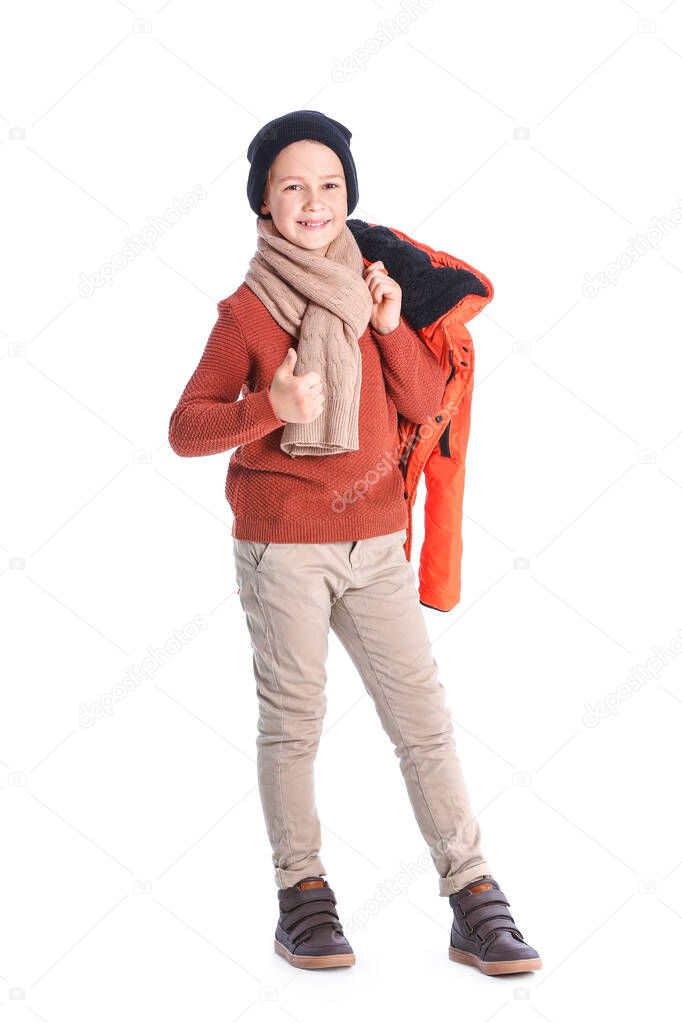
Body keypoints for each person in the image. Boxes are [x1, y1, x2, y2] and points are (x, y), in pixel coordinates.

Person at [168, 109, 541, 976]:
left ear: (350, 197)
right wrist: (271, 410)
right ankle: (302, 897)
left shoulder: (370, 286)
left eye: (329, 184)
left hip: (375, 544)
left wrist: (388, 322)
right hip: (284, 547)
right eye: (293, 184)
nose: (313, 200)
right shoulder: (247, 312)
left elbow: (420, 400)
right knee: (296, 724)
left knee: (424, 722)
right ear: (263, 199)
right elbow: (187, 426)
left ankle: (473, 894)